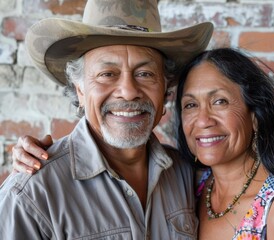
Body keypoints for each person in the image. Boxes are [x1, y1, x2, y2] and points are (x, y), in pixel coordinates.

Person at [12, 48, 274, 240]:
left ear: (255, 115)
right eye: (191, 105)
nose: (204, 120)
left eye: (221, 101)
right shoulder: (195, 182)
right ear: (80, 91)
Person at [0, 0, 213, 239]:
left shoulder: (186, 174)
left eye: (145, 74)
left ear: (164, 90)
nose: (129, 91)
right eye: (107, 74)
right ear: (80, 90)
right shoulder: (33, 194)